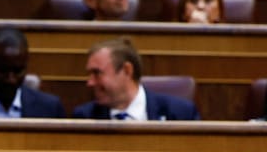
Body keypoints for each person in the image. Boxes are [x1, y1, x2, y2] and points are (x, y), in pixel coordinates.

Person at [72, 37, 201, 121]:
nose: (90, 82)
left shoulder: (181, 113)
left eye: (97, 73)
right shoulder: (85, 117)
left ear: (127, 70)